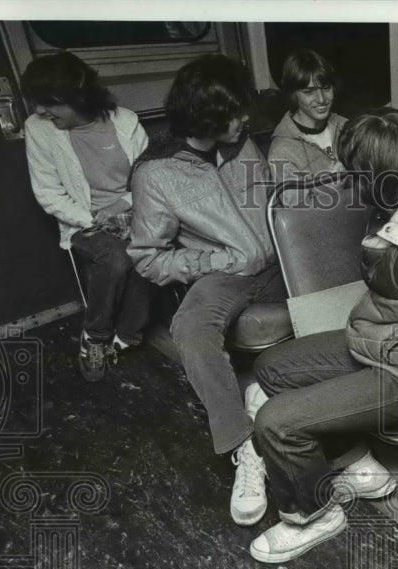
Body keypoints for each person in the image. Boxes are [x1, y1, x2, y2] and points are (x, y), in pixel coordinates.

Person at [248, 108, 398, 563]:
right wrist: (378, 338)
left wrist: (387, 347)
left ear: (371, 180)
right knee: (270, 368)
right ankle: (354, 460)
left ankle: (313, 516)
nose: (338, 176)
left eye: (347, 171)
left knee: (274, 422)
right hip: (386, 341)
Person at [128, 54, 285, 527]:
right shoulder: (156, 174)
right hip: (223, 274)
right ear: (210, 115)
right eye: (237, 111)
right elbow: (148, 257)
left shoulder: (243, 147)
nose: (246, 120)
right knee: (191, 328)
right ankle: (244, 447)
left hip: (279, 258)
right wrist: (214, 261)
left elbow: (271, 203)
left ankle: (323, 426)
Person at [22, 52, 151, 382]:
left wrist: (120, 208)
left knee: (150, 248)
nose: (40, 111)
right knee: (117, 258)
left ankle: (127, 335)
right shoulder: (39, 129)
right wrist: (93, 219)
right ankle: (95, 337)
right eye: (37, 103)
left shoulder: (125, 121)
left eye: (49, 102)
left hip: (135, 210)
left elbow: (151, 181)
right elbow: (48, 193)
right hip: (82, 220)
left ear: (78, 97)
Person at [268, 49, 347, 180]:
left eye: (326, 88)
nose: (321, 99)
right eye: (309, 92)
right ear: (293, 95)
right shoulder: (281, 152)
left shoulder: (347, 127)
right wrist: (335, 186)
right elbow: (297, 201)